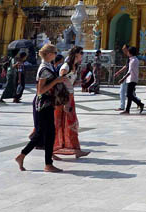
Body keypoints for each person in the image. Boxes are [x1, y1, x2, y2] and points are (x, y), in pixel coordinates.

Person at [15, 43, 67, 173]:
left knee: (49, 133)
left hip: (48, 104)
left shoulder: (48, 65)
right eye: (54, 53)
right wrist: (56, 81)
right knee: (40, 134)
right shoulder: (44, 68)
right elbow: (40, 91)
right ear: (49, 54)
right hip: (42, 105)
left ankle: (47, 164)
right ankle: (23, 155)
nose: (56, 55)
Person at [54, 46, 90, 158]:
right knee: (61, 123)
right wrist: (65, 102)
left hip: (70, 96)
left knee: (71, 123)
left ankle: (75, 149)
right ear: (75, 54)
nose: (82, 55)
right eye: (81, 53)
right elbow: (60, 83)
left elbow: (70, 82)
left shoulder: (75, 66)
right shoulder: (66, 66)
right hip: (64, 98)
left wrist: (82, 81)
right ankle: (53, 149)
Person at [120, 46, 144, 114]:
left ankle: (139, 103)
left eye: (128, 51)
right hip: (132, 78)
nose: (127, 53)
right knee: (129, 95)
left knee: (129, 95)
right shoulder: (134, 59)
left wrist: (123, 79)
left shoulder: (133, 60)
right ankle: (128, 110)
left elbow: (129, 71)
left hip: (131, 79)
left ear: (130, 52)